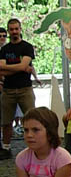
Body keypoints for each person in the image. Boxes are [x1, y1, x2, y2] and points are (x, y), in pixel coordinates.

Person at [0, 19, 36, 160]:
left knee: (32, 119)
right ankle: (6, 147)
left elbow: (22, 66)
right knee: (6, 121)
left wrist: (9, 68)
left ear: (20, 29)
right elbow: (2, 70)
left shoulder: (27, 47)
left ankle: (33, 148)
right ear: (8, 31)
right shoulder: (4, 49)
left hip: (25, 89)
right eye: (11, 29)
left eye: (16, 29)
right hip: (8, 90)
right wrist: (21, 68)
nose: (14, 31)